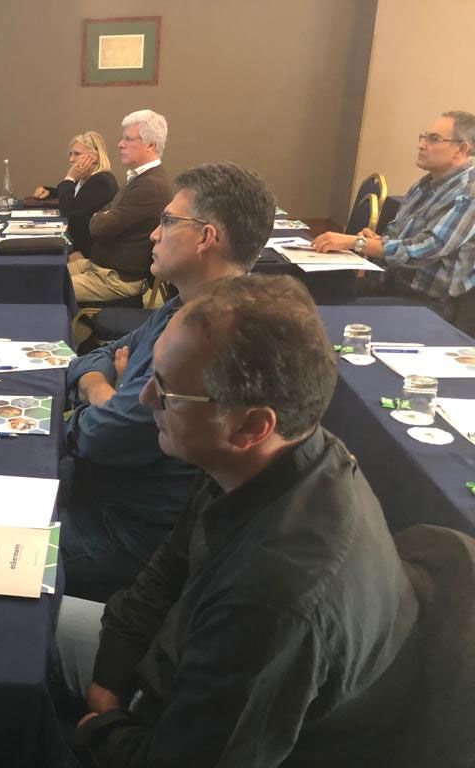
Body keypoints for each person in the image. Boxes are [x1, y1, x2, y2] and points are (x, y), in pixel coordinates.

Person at [54, 275, 422, 767]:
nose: (144, 400)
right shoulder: (268, 458)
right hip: (178, 661)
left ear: (250, 426)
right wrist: (109, 677)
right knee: (24, 622)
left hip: (180, 721)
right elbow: (167, 570)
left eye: (167, 391)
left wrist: (99, 731)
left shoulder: (276, 597)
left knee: (6, 653)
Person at [62, 162, 275, 601]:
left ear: (205, 237)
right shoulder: (181, 306)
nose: (154, 234)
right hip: (101, 496)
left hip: (123, 533)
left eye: (167, 221)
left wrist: (104, 395)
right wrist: (106, 390)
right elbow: (94, 356)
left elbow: (100, 437)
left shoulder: (215, 335)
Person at [314, 110, 475, 334]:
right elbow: (403, 237)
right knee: (309, 293)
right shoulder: (424, 185)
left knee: (323, 320)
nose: (421, 145)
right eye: (423, 137)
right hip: (389, 287)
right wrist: (377, 240)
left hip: (429, 306)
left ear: (461, 149)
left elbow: (427, 248)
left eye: (434, 139)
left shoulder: (469, 192)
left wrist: (358, 243)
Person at [68, 110, 171, 304]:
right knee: (43, 273)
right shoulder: (141, 177)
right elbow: (104, 213)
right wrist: (101, 215)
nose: (120, 144)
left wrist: (99, 217)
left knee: (45, 288)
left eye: (128, 139)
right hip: (98, 267)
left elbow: (100, 229)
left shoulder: (149, 185)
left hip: (114, 279)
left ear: (150, 145)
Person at [32, 131, 119, 258]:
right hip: (77, 243)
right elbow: (76, 196)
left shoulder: (102, 182)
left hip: (89, 252)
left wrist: (70, 178)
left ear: (94, 157)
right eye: (70, 154)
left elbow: (69, 210)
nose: (71, 159)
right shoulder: (86, 178)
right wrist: (50, 192)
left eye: (77, 154)